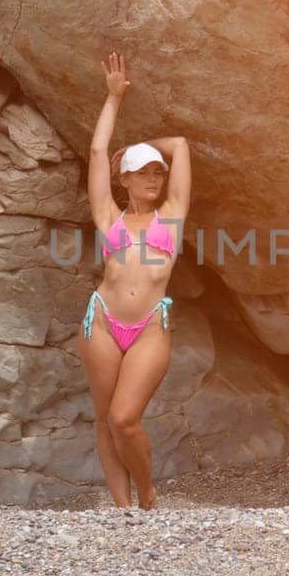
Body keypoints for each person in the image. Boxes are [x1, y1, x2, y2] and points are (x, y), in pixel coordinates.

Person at [78, 50, 191, 509]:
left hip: (148, 327)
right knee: (105, 419)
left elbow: (180, 145)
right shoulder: (109, 217)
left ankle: (146, 496)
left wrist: (143, 146)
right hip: (102, 322)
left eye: (156, 173)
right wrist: (113, 100)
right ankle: (122, 512)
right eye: (143, 172)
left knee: (125, 418)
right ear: (123, 178)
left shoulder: (172, 216)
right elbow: (96, 151)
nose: (153, 178)